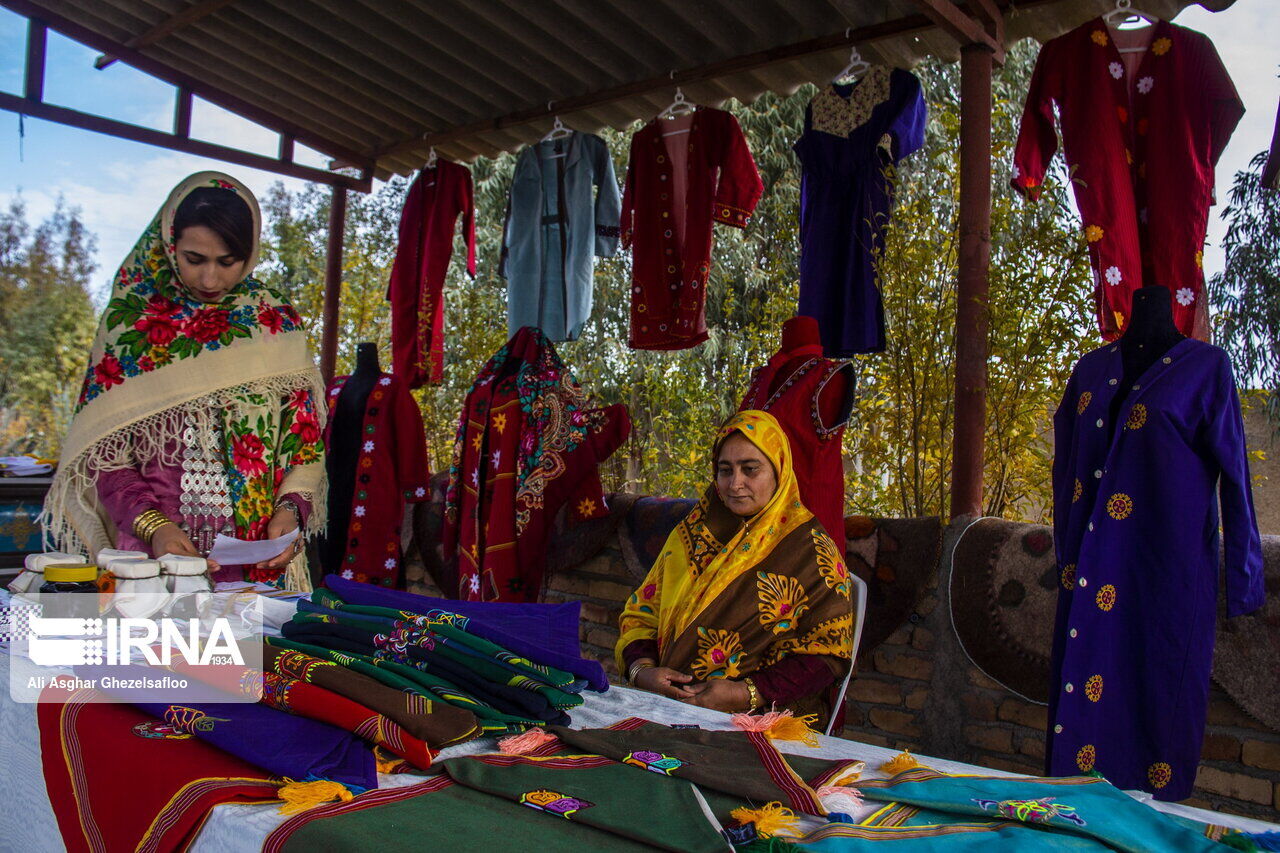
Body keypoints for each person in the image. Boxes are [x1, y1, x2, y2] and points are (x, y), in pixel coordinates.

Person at [42, 172, 327, 589]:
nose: (210, 280)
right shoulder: (134, 322)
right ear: (170, 245)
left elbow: (304, 441)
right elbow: (105, 456)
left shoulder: (274, 323)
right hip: (150, 563)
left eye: (227, 262)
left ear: (249, 255)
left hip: (255, 566)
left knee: (240, 654)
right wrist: (155, 527)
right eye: (195, 259)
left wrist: (289, 513)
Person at [616, 410, 854, 724]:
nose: (735, 483)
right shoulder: (692, 535)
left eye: (750, 469)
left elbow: (828, 653)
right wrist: (642, 670)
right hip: (663, 704)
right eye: (725, 470)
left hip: (762, 718)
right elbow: (642, 612)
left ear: (779, 472)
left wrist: (745, 694)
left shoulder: (810, 552)